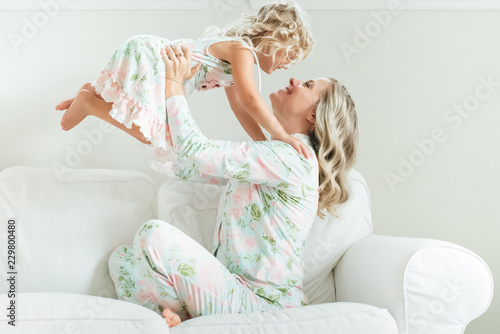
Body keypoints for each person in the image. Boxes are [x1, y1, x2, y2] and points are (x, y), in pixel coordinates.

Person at [104, 45, 359, 328]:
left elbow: (195, 151)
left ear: (314, 115)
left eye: (308, 85)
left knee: (153, 235)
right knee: (123, 260)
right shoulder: (272, 155)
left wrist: (174, 85)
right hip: (231, 290)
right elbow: (188, 163)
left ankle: (175, 318)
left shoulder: (294, 157)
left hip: (263, 307)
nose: (293, 80)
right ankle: (176, 320)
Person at [55, 0, 315, 176]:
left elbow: (239, 106)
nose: (287, 66)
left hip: (152, 58)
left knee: (149, 127)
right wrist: (281, 136)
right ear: (273, 41)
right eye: (288, 56)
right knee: (152, 135)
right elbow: (250, 99)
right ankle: (88, 103)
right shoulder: (242, 51)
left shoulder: (238, 58)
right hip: (154, 58)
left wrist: (261, 142)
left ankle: (90, 94)